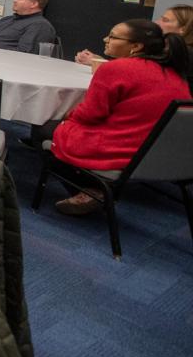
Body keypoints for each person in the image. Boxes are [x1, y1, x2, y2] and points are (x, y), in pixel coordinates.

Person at [43, 19, 190, 215]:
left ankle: (92, 190)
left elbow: (90, 115)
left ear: (136, 46)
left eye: (113, 36)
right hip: (159, 156)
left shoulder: (116, 69)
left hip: (120, 152)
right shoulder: (174, 74)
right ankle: (97, 189)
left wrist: (66, 117)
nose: (106, 39)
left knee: (43, 129)